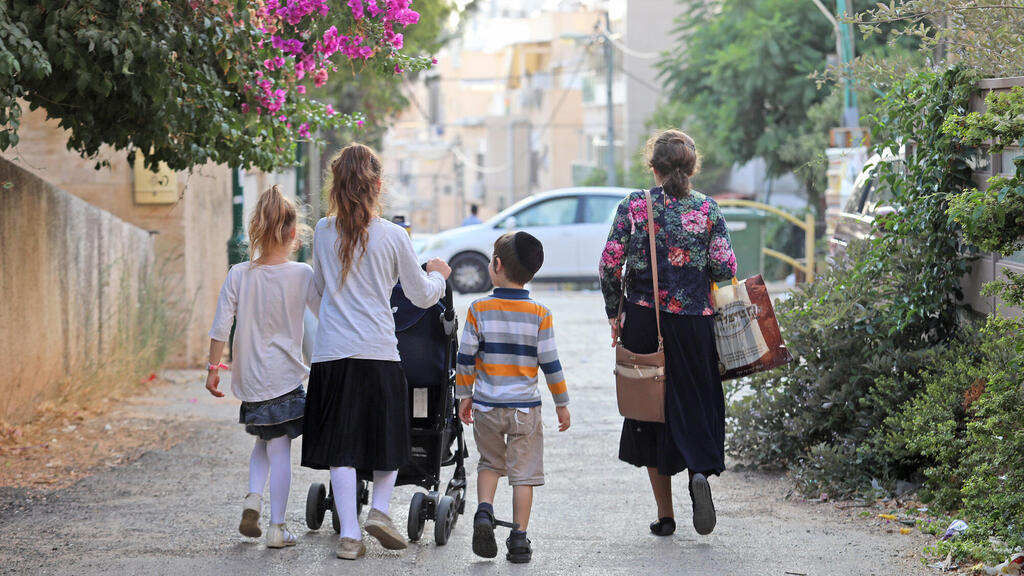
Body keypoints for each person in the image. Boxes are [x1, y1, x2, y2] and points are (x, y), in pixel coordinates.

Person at [301, 143, 452, 561]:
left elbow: (317, 293)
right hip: (379, 351)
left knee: (341, 447)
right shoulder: (394, 235)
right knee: (389, 438)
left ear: (336, 184)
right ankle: (380, 511)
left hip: (333, 354)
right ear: (378, 185)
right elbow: (421, 297)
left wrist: (333, 318)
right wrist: (438, 275)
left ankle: (350, 534)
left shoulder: (323, 231)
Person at [598, 129, 737, 537]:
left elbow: (609, 265)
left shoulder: (635, 206)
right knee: (695, 403)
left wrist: (614, 312)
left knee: (650, 412)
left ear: (653, 167)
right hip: (694, 323)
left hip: (644, 323)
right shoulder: (708, 210)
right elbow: (724, 269)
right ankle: (698, 474)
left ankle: (665, 515)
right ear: (691, 168)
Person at [206, 185, 318, 549]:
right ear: (292, 233)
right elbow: (327, 314)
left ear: (256, 227)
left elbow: (221, 325)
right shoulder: (302, 274)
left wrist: (213, 368)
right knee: (280, 446)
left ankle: (253, 497)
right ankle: (277, 527)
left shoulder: (239, 273)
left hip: (250, 375)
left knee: (263, 440)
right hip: (284, 376)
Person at [455, 231, 571, 563]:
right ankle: (518, 540)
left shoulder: (479, 308)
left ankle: (484, 513)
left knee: (490, 463)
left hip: (487, 406)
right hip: (524, 410)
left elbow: (465, 358)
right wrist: (561, 404)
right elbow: (550, 363)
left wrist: (464, 395)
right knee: (524, 474)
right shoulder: (540, 313)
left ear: (496, 265)